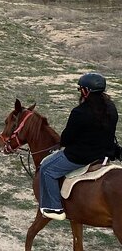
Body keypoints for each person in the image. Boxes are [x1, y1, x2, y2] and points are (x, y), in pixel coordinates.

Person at [39, 72, 119, 220]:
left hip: (80, 157)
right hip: (104, 154)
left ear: (85, 91)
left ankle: (54, 207)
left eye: (80, 89)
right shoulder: (111, 108)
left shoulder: (80, 112)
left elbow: (67, 139)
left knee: (46, 169)